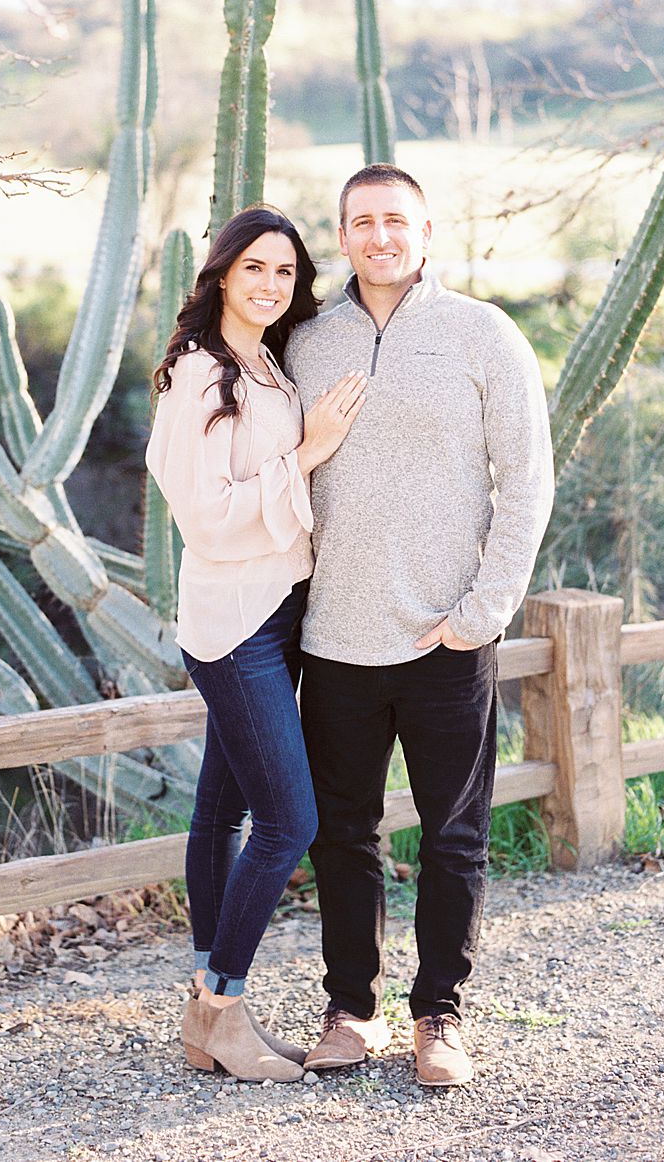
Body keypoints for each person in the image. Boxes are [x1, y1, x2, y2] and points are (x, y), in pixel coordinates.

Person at [286, 163, 553, 1087]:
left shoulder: (483, 335)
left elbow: (525, 483)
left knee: (453, 837)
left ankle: (439, 1015)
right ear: (344, 235)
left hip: (448, 639)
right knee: (343, 835)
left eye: (396, 220)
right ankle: (349, 1011)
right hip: (336, 642)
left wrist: (482, 613)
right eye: (361, 222)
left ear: (427, 232)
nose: (379, 237)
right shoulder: (309, 342)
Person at [148, 204, 368, 1083]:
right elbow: (206, 520)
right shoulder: (199, 377)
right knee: (290, 821)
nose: (273, 286)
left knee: (219, 814)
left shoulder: (264, 363)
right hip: (235, 625)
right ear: (222, 275)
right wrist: (308, 456)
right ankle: (224, 1010)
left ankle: (208, 1010)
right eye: (256, 270)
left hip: (277, 612)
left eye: (286, 272)